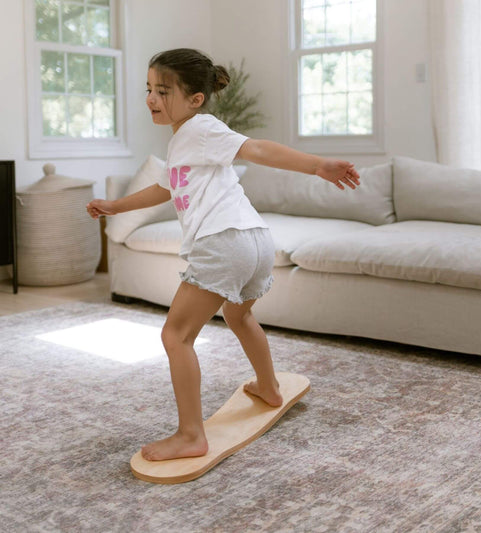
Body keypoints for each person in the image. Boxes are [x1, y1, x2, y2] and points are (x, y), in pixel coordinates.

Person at [87, 48, 360, 462]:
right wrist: (115, 206)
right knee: (238, 314)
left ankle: (191, 435)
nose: (151, 99)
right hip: (254, 241)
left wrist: (317, 165)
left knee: (175, 336)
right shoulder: (183, 141)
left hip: (224, 244)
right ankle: (268, 386)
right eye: (148, 89)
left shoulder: (201, 128)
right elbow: (165, 187)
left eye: (163, 91)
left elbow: (257, 150)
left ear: (195, 99)